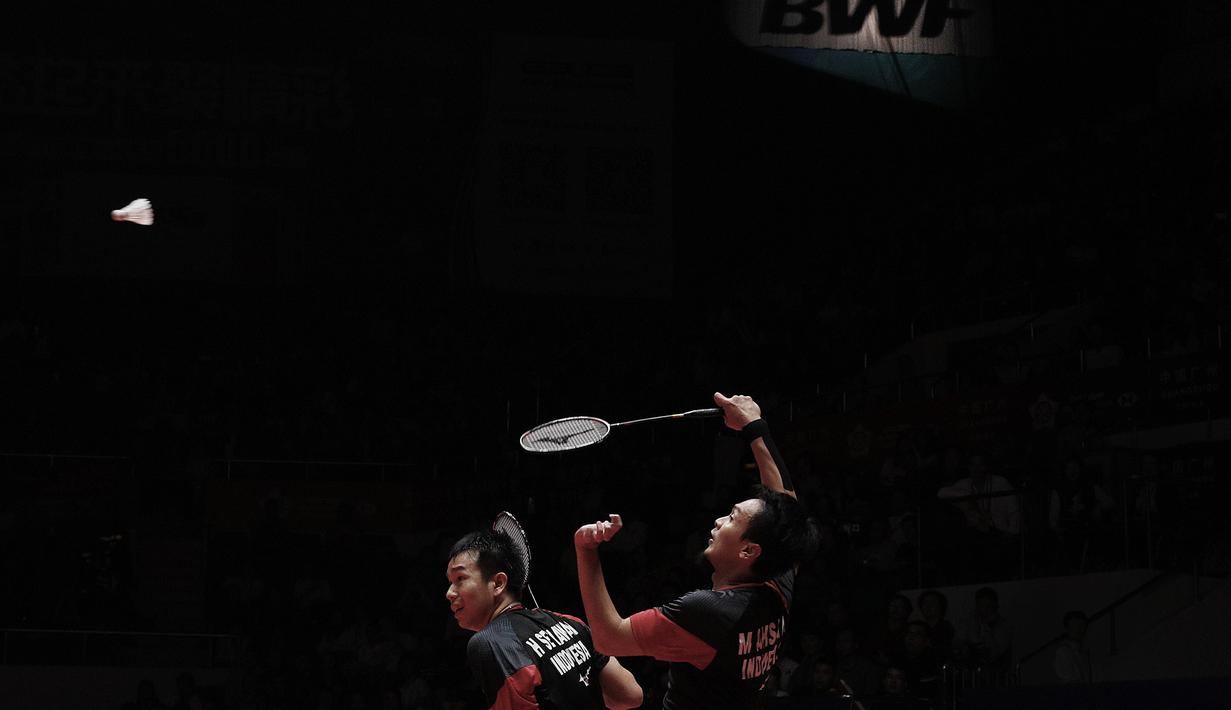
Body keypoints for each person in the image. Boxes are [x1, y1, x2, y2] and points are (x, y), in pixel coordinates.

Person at [573, 392, 818, 709]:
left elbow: (610, 638)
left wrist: (586, 549)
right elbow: (786, 504)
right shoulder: (776, 583)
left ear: (748, 551)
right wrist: (754, 427)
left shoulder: (708, 612)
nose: (718, 521)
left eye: (732, 518)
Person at [445, 529, 642, 710]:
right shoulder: (569, 622)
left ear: (498, 583)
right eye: (450, 582)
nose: (449, 593)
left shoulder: (489, 642)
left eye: (460, 578)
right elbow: (630, 695)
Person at [1052, 610, 1091, 683]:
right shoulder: (1063, 652)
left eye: (1082, 626)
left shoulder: (1083, 651)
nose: (1079, 629)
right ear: (1068, 628)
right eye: (1075, 626)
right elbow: (1068, 680)